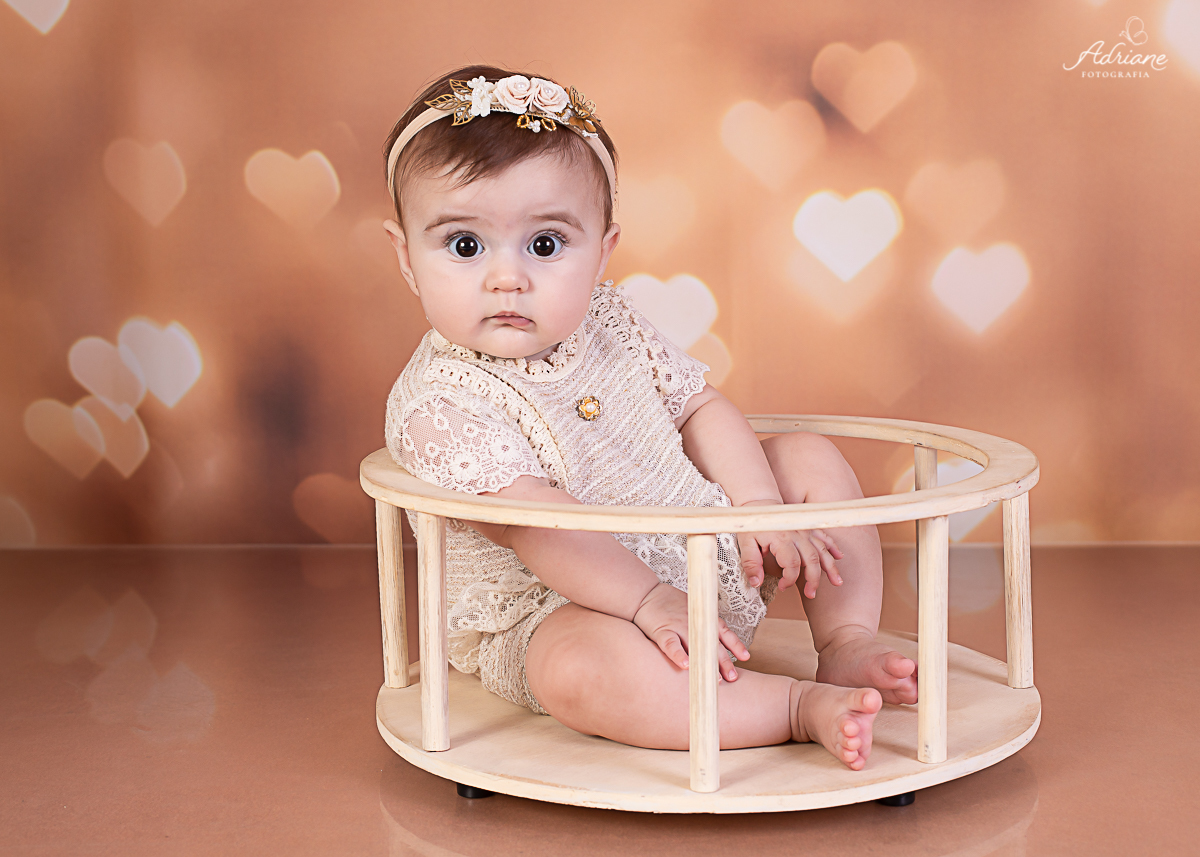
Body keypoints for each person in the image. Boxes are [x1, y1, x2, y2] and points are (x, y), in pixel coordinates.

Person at [381, 65, 917, 771]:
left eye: (545, 245)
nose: (507, 278)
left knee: (807, 455)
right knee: (577, 667)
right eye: (464, 245)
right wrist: (647, 600)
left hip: (701, 542)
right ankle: (791, 707)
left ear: (602, 252)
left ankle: (846, 641)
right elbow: (534, 525)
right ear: (406, 257)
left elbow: (698, 406)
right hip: (566, 606)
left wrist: (757, 508)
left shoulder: (611, 320)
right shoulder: (439, 403)